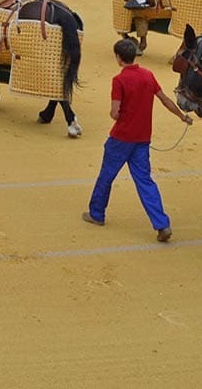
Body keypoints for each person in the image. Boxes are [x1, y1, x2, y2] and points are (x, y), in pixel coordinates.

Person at [82, 38, 193, 242]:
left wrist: (114, 113)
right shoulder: (148, 75)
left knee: (106, 176)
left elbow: (115, 113)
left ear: (118, 57)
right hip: (142, 139)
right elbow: (166, 100)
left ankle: (96, 214)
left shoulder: (119, 80)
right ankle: (162, 224)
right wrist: (182, 116)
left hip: (121, 138)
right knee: (145, 181)